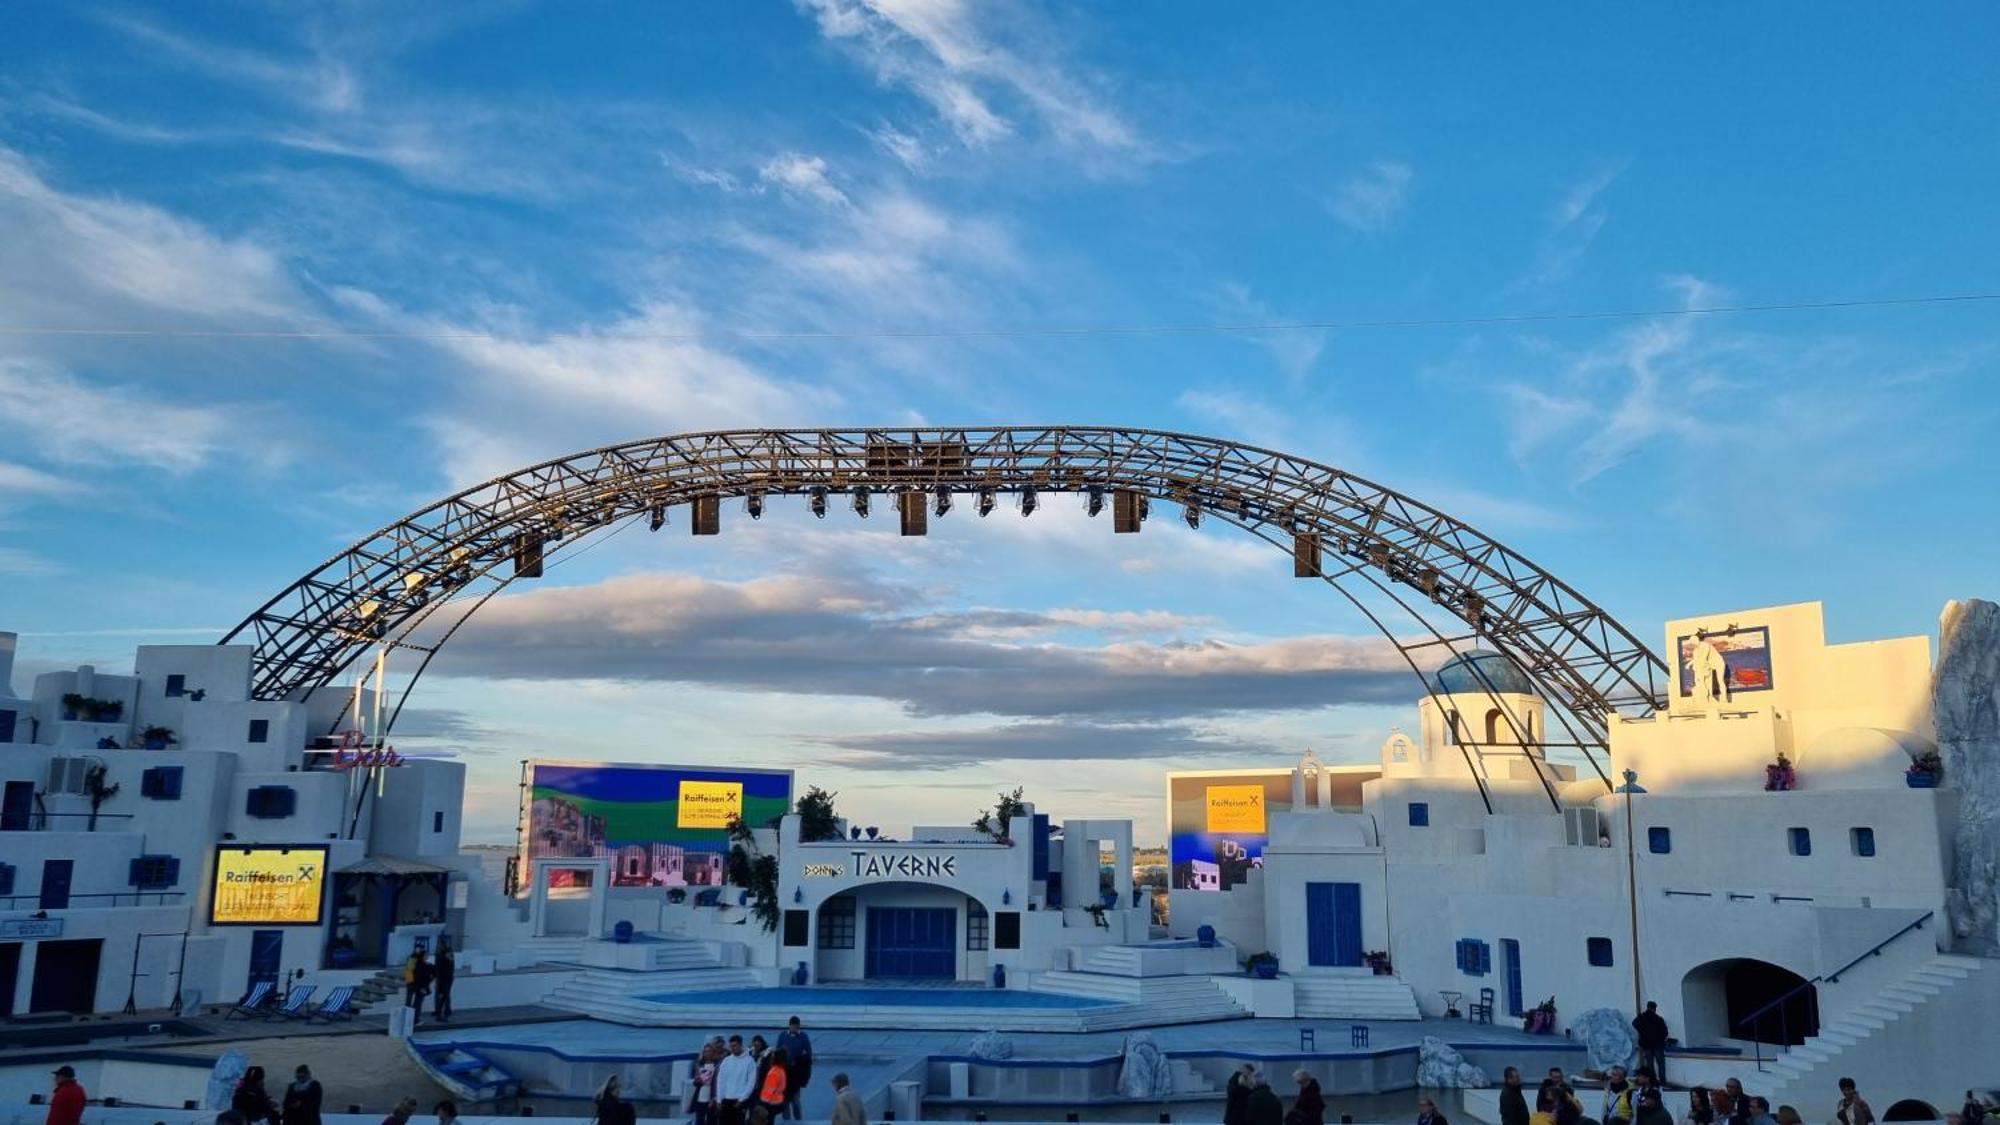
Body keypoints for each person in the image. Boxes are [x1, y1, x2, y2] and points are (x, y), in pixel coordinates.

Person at [775, 1017, 812, 1120]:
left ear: (799, 1026)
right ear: (789, 1025)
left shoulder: (803, 1036)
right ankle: (787, 1121)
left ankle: (799, 1121)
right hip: (784, 1073)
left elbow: (808, 1054)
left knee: (795, 1101)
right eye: (792, 1026)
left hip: (796, 1074)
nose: (794, 1028)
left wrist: (805, 1075)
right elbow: (777, 1052)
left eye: (796, 1026)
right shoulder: (783, 1036)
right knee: (785, 1101)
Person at [718, 1034, 758, 1125]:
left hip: (740, 1100)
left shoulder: (749, 1061)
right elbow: (721, 1081)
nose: (733, 1048)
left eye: (735, 1046)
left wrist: (742, 1099)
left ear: (740, 1045)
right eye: (731, 1046)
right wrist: (719, 1099)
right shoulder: (726, 1061)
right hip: (726, 1099)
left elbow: (751, 1083)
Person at [1633, 1002, 1671, 1083]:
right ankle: (1662, 1080)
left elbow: (1634, 1023)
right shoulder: (1658, 1019)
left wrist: (1642, 1032)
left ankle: (1652, 1080)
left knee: (1650, 1064)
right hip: (1658, 1045)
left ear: (1647, 1007)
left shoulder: (1641, 1017)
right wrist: (1661, 1038)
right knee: (1660, 1063)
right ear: (1654, 1008)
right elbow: (1665, 1032)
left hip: (1646, 1045)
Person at [688, 1041, 720, 1125]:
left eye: (709, 1051)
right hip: (700, 1096)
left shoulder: (717, 1066)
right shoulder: (699, 1065)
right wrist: (696, 1081)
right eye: (705, 1051)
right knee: (699, 1120)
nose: (707, 1053)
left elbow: (718, 1083)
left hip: (712, 1097)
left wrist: (714, 1098)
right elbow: (695, 1082)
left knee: (712, 1120)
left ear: (713, 1053)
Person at [758, 1049, 790, 1120]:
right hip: (778, 1100)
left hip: (770, 1103)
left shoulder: (773, 1073)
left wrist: (762, 1103)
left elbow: (769, 1090)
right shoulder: (781, 1070)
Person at [404, 948, 434, 1025]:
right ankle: (414, 1019)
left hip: (411, 983)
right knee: (416, 1003)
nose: (427, 956)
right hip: (414, 984)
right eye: (426, 955)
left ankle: (409, 1018)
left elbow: (409, 971)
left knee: (411, 1002)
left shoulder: (414, 960)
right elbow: (414, 973)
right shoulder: (417, 961)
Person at [433, 942, 457, 1023]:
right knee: (443, 996)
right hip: (443, 978)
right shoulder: (444, 957)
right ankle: (442, 1012)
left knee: (443, 996)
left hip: (445, 979)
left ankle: (442, 1012)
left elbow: (443, 969)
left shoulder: (444, 957)